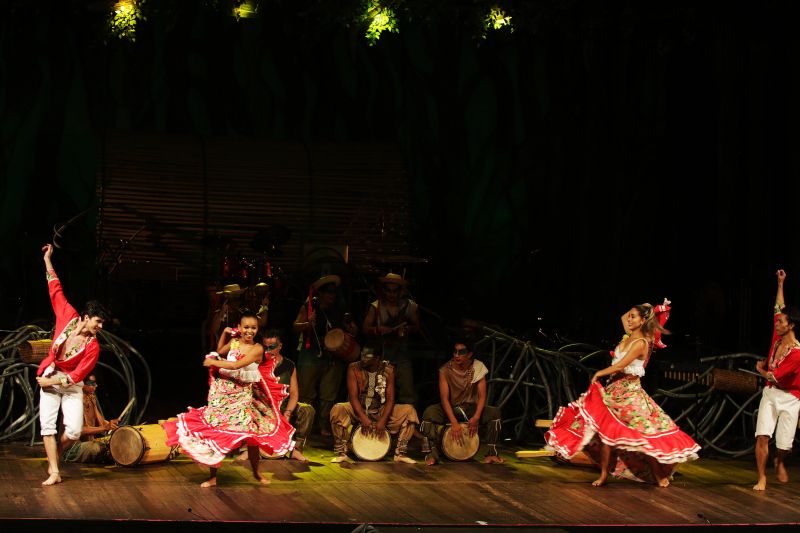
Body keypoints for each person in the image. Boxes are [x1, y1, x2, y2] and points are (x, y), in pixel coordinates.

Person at [544, 301, 700, 487]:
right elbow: (622, 317)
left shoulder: (642, 342)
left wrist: (599, 373)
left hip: (630, 394)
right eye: (630, 316)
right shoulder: (627, 337)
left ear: (643, 321)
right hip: (613, 391)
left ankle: (658, 474)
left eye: (634, 317)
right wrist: (644, 306)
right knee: (605, 435)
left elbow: (619, 366)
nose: (629, 319)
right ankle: (603, 475)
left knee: (643, 435)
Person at [162, 311, 295, 487]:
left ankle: (256, 473)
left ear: (257, 329)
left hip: (242, 397)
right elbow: (219, 352)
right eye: (246, 327)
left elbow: (235, 365)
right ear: (239, 328)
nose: (249, 331)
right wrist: (224, 335)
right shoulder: (234, 343)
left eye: (253, 327)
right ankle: (213, 477)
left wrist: (213, 363)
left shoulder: (257, 349)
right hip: (222, 395)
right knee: (216, 434)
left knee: (251, 438)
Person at [35, 244, 110, 486]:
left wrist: (51, 381)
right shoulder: (67, 315)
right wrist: (47, 259)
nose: (100, 327)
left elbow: (78, 375)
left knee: (74, 431)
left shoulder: (93, 347)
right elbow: (54, 288)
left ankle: (55, 456)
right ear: (86, 317)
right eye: (98, 321)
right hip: (51, 373)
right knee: (47, 425)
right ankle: (55, 471)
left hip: (68, 384)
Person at [420, 339, 504, 466]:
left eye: (461, 352)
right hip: (451, 408)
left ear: (469, 354)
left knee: (494, 413)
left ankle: (492, 454)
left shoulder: (478, 367)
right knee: (429, 413)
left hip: (470, 409)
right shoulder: (445, 370)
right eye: (455, 351)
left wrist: (476, 417)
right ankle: (431, 454)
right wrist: (453, 422)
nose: (457, 355)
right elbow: (444, 399)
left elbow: (482, 396)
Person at [293, 275, 358, 435]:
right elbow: (295, 327)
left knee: (328, 393)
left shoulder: (340, 308)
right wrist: (308, 323)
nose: (331, 296)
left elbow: (353, 329)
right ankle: (305, 425)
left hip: (333, 355)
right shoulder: (310, 306)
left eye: (333, 293)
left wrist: (350, 327)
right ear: (320, 293)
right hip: (311, 352)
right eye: (328, 293)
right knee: (306, 391)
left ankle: (323, 426)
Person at [330, 346, 419, 463]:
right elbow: (353, 397)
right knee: (338, 409)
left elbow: (390, 399)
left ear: (377, 358)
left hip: (380, 409)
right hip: (359, 409)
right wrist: (363, 418)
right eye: (362, 355)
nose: (363, 359)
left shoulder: (388, 370)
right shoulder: (353, 368)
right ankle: (341, 452)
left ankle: (400, 453)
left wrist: (383, 420)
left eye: (367, 357)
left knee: (409, 411)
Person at [753, 269, 800, 491]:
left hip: (791, 397)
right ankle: (761, 477)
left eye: (781, 322)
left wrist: (759, 369)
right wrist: (780, 284)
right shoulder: (776, 336)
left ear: (790, 326)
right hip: (771, 393)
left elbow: (776, 377)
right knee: (762, 435)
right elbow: (778, 307)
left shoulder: (797, 353)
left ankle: (780, 460)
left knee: (784, 444)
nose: (777, 323)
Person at [362, 273, 420, 404]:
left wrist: (407, 329)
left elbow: (416, 327)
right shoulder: (376, 306)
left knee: (407, 393)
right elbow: (365, 328)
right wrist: (378, 329)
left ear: (401, 291)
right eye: (388, 291)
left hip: (402, 355)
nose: (391, 295)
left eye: (394, 291)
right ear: (384, 291)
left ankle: (406, 420)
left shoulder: (409, 306)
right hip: (382, 355)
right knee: (379, 393)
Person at [258, 329, 312, 462]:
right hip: (264, 407)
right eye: (265, 347)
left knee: (307, 410)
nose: (268, 350)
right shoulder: (259, 363)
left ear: (280, 346)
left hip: (284, 406)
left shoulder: (289, 365)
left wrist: (287, 413)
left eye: (272, 347)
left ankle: (295, 450)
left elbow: (294, 394)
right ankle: (248, 450)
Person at [62, 374, 119, 463]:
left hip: (87, 444)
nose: (95, 386)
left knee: (113, 442)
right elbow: (79, 430)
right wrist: (105, 427)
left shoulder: (91, 398)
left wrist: (112, 426)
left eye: (95, 383)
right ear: (81, 384)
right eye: (91, 383)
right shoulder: (74, 402)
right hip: (72, 449)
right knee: (99, 449)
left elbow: (101, 423)